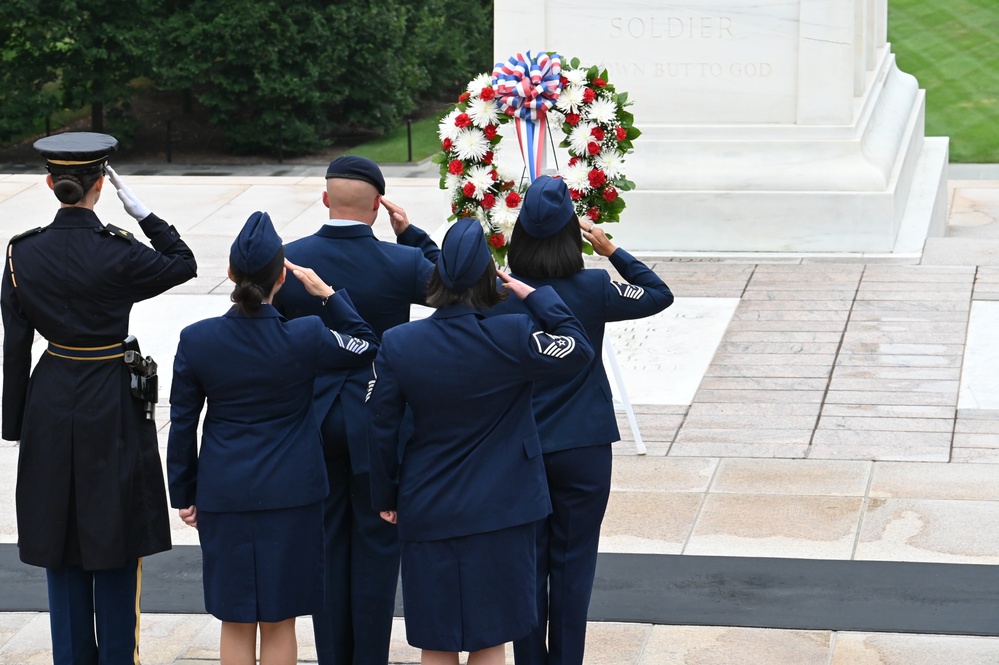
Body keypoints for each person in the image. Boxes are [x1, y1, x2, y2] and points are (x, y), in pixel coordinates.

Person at [0, 132, 198, 663]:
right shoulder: (119, 250)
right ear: (101, 187)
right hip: (110, 393)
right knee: (116, 535)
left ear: (50, 183)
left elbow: (15, 345)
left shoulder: (23, 251)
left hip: (50, 392)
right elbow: (183, 262)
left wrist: (14, 424)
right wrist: (146, 214)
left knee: (58, 538)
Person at [367, 217, 595, 665]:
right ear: (489, 278)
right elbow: (577, 347)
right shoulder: (510, 335)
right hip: (503, 505)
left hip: (429, 502)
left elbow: (381, 425)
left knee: (437, 637)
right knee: (491, 637)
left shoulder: (399, 343)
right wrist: (536, 295)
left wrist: (386, 494)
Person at [166, 211, 379, 665]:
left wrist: (184, 492)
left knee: (236, 618)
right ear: (281, 277)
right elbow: (365, 345)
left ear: (229, 274)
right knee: (281, 619)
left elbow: (183, 422)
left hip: (225, 491)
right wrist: (328, 296)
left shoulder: (198, 339)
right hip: (293, 492)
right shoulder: (305, 335)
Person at [496, 175, 674, 665]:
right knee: (574, 566)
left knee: (527, 565)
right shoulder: (593, 287)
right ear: (573, 233)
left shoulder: (499, 293)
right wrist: (611, 248)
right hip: (583, 445)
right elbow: (657, 294)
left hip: (520, 447)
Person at [271, 155, 439, 665]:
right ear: (377, 207)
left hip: (314, 420)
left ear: (325, 200)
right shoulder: (404, 261)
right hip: (379, 419)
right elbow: (459, 285)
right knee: (378, 546)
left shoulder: (288, 259)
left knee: (325, 546)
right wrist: (412, 235)